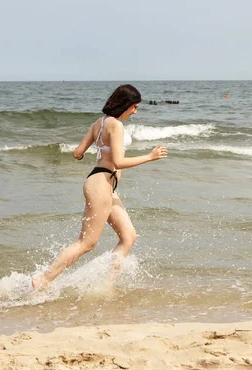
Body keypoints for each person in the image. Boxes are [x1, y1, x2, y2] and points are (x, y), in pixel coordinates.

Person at [31, 84, 168, 289]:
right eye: (134, 107)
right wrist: (150, 156)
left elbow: (77, 153)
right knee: (86, 243)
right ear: (126, 104)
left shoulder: (99, 123)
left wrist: (96, 149)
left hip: (102, 182)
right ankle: (43, 280)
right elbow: (119, 162)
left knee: (129, 236)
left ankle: (107, 284)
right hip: (101, 184)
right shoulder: (116, 125)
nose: (135, 111)